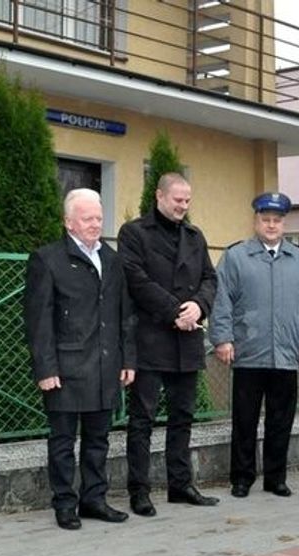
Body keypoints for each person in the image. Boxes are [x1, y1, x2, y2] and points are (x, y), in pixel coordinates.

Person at [24, 188, 136, 530]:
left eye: (99, 218)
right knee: (62, 442)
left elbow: (125, 314)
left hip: (105, 366)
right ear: (68, 222)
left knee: (98, 440)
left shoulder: (113, 259)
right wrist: (45, 367)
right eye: (87, 218)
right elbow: (38, 319)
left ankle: (94, 499)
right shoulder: (48, 259)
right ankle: (64, 504)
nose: (94, 224)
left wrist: (127, 359)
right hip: (66, 369)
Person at [209, 192, 299, 499]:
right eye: (265, 219)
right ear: (255, 221)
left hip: (287, 355)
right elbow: (222, 301)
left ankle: (276, 478)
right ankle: (242, 478)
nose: (271, 225)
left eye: (276, 220)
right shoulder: (236, 257)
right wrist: (222, 337)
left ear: (283, 224)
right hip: (247, 352)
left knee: (281, 421)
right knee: (244, 420)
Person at [118, 172, 220, 516]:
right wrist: (174, 310)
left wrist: (200, 306)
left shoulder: (195, 235)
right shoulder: (134, 233)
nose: (183, 206)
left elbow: (209, 277)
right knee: (142, 419)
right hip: (151, 338)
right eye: (178, 200)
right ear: (160, 196)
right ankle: (140, 490)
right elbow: (136, 279)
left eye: (188, 201)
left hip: (187, 340)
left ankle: (180, 485)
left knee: (183, 417)